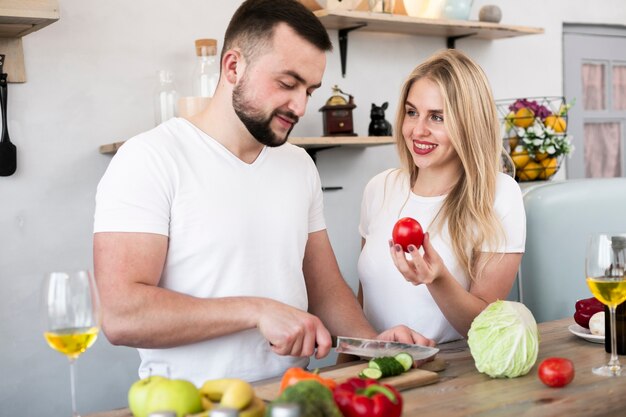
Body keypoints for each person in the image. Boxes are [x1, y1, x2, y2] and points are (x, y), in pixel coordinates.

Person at [93, 0, 430, 386]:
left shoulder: (298, 164)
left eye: (310, 89)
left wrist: (377, 346)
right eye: (287, 84)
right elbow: (121, 315)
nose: (300, 105)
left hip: (296, 399)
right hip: (190, 406)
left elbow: (325, 289)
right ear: (233, 66)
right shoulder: (150, 158)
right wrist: (256, 311)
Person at [357, 49, 526, 344]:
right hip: (381, 373)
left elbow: (483, 327)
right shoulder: (379, 188)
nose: (417, 130)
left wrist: (437, 279)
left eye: (436, 117)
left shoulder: (499, 194)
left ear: (468, 124)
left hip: (451, 376)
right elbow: (363, 302)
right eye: (412, 113)